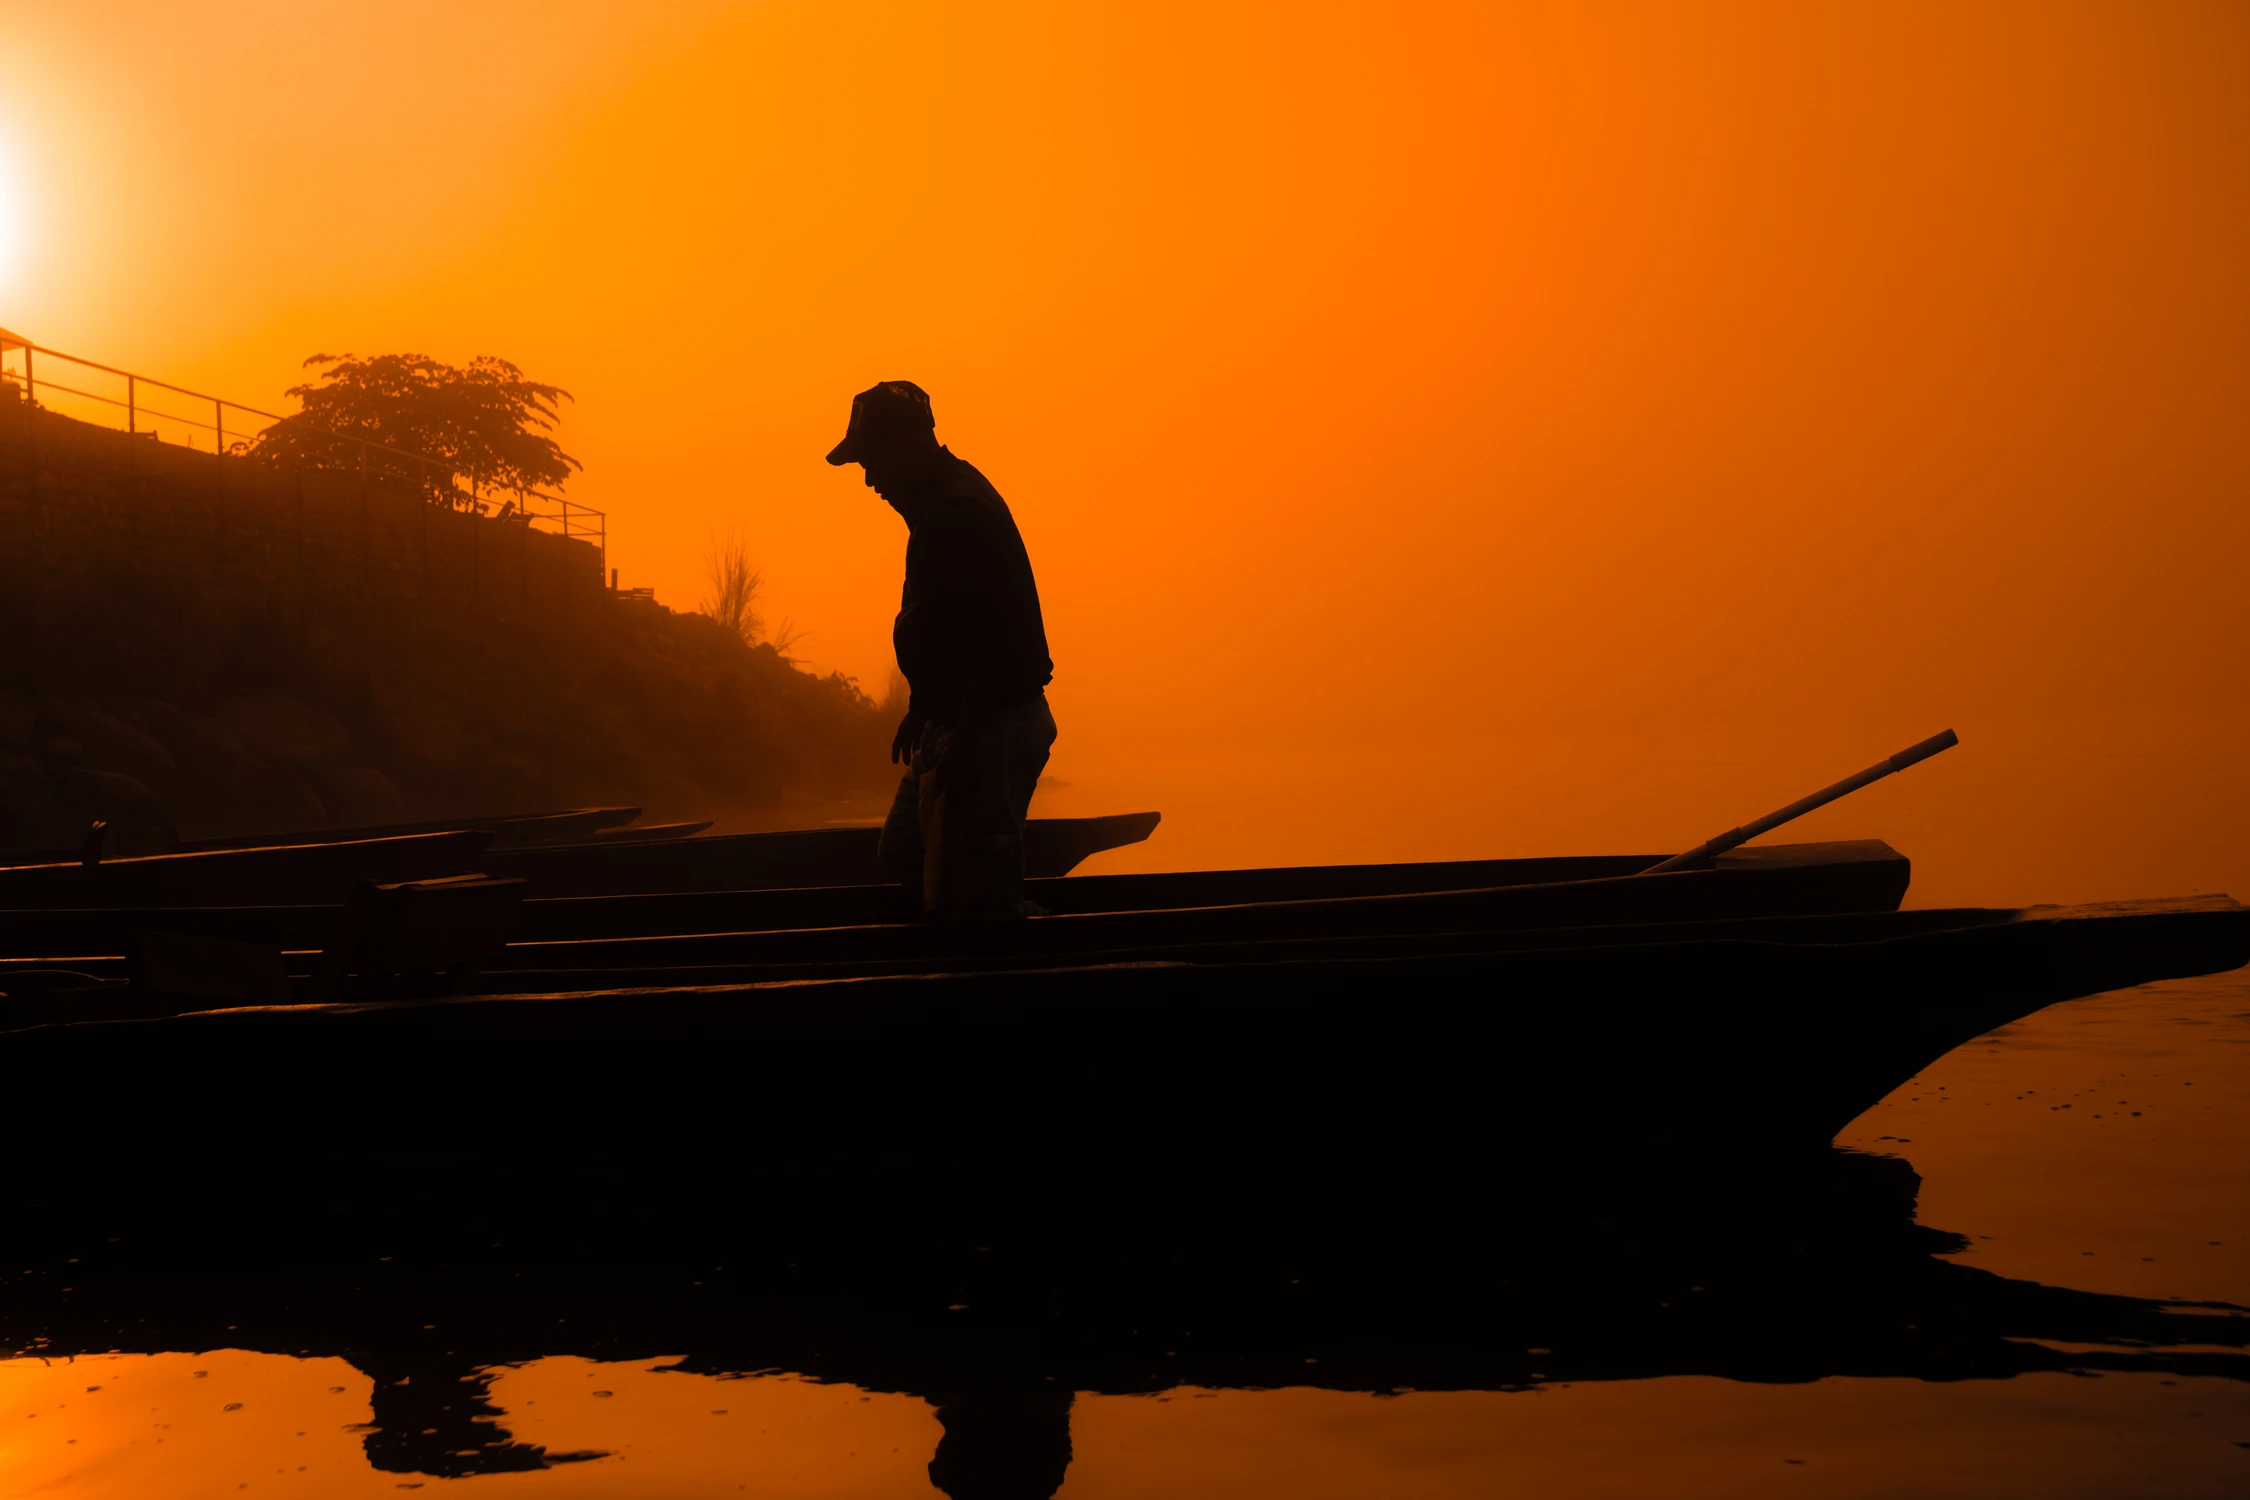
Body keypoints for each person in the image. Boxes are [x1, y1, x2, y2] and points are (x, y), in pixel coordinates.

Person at [826, 381, 1056, 919]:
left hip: (990, 725)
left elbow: (986, 641)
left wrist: (967, 741)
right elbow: (946, 622)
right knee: (907, 850)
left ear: (907, 445)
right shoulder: (938, 505)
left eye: (872, 460)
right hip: (955, 720)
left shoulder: (958, 513)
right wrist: (923, 707)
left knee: (984, 897)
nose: (869, 479)